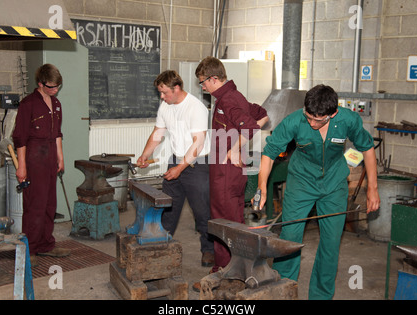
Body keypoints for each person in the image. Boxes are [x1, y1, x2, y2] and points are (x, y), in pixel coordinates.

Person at [257, 84, 380, 299]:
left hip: (334, 184)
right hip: (301, 182)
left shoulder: (348, 120)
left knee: (331, 244)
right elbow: (269, 152)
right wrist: (261, 187)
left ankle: (321, 296)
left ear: (333, 113)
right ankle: (283, 291)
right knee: (289, 240)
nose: (312, 123)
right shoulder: (295, 120)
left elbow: (367, 148)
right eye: (309, 117)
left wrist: (373, 189)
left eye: (319, 119)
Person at [195, 56, 268, 273]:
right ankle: (241, 266)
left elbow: (252, 126)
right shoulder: (234, 95)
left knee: (222, 221)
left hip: (225, 172)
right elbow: (262, 115)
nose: (203, 86)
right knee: (235, 219)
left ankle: (223, 270)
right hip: (234, 171)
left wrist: (235, 148)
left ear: (214, 78)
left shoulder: (227, 100)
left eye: (203, 82)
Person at [137, 70, 214, 267]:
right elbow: (158, 133)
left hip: (198, 164)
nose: (162, 97)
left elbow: (198, 143)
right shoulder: (166, 106)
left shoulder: (196, 108)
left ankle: (208, 250)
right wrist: (146, 154)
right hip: (176, 160)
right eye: (160, 93)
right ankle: (163, 246)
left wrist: (180, 168)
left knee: (202, 212)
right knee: (168, 206)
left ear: (176, 88)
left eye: (164, 92)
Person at [12, 64, 70, 267]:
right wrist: (21, 166)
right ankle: (30, 249)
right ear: (40, 83)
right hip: (34, 158)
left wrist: (60, 157)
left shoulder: (56, 104)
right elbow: (20, 138)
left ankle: (46, 244)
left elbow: (57, 134)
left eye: (58, 86)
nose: (55, 90)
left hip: (50, 157)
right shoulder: (28, 104)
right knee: (34, 206)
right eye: (52, 87)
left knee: (49, 204)